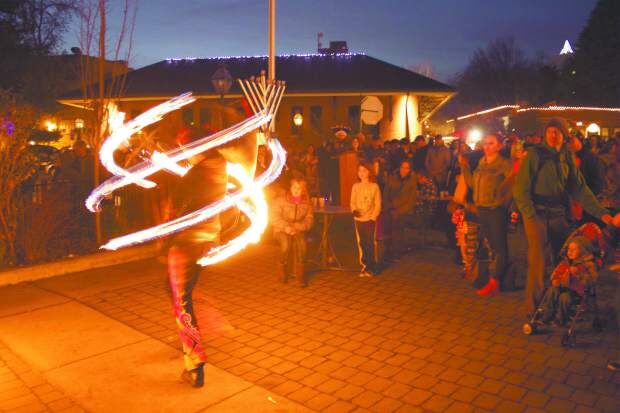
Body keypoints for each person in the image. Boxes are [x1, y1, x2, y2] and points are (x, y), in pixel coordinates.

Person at [513, 118, 615, 318]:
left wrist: (601, 213)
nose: (553, 135)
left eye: (557, 131)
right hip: (537, 213)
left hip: (557, 212)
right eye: (550, 131)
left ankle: (559, 302)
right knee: (538, 260)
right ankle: (534, 309)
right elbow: (520, 189)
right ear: (545, 134)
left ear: (564, 134)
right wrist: (530, 214)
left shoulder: (566, 157)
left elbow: (579, 188)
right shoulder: (535, 155)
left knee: (566, 257)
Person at [461, 134, 515, 294]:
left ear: (499, 146)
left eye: (491, 143)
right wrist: (464, 167)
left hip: (495, 210)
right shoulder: (481, 162)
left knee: (499, 247)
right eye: (485, 143)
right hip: (481, 209)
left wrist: (502, 204)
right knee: (489, 245)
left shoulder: (504, 164)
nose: (487, 146)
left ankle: (496, 280)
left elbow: (512, 187)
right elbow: (472, 184)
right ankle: (489, 277)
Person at [538, 237, 598, 326]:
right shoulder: (565, 262)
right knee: (552, 290)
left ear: (582, 251)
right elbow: (555, 274)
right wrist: (555, 280)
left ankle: (560, 319)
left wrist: (579, 275)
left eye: (574, 249)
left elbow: (592, 280)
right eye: (569, 249)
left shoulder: (589, 265)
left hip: (577, 292)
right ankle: (547, 314)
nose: (570, 251)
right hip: (563, 286)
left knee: (564, 297)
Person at [271, 178, 314, 287]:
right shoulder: (281, 200)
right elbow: (274, 217)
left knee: (302, 246)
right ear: (290, 188)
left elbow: (309, 219)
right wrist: (286, 227)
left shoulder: (307, 203)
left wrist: (298, 227)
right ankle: (282, 272)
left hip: (297, 229)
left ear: (303, 190)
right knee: (286, 245)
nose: (296, 190)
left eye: (299, 188)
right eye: (294, 187)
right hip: (281, 229)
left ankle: (300, 276)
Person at [350, 163, 382, 277]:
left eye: (364, 170)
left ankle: (372, 266)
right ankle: (364, 266)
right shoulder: (355, 186)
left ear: (369, 172)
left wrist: (373, 217)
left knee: (370, 242)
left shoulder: (374, 186)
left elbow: (378, 204)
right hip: (359, 219)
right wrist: (354, 210)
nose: (362, 173)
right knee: (362, 242)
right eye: (359, 170)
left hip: (370, 220)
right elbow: (352, 202)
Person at [383, 160, 418, 259]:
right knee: (388, 230)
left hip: (402, 210)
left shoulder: (412, 181)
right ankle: (388, 249)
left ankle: (397, 251)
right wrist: (388, 206)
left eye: (407, 168)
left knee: (398, 230)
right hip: (390, 208)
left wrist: (400, 211)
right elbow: (386, 194)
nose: (404, 170)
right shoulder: (392, 178)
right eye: (403, 167)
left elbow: (411, 200)